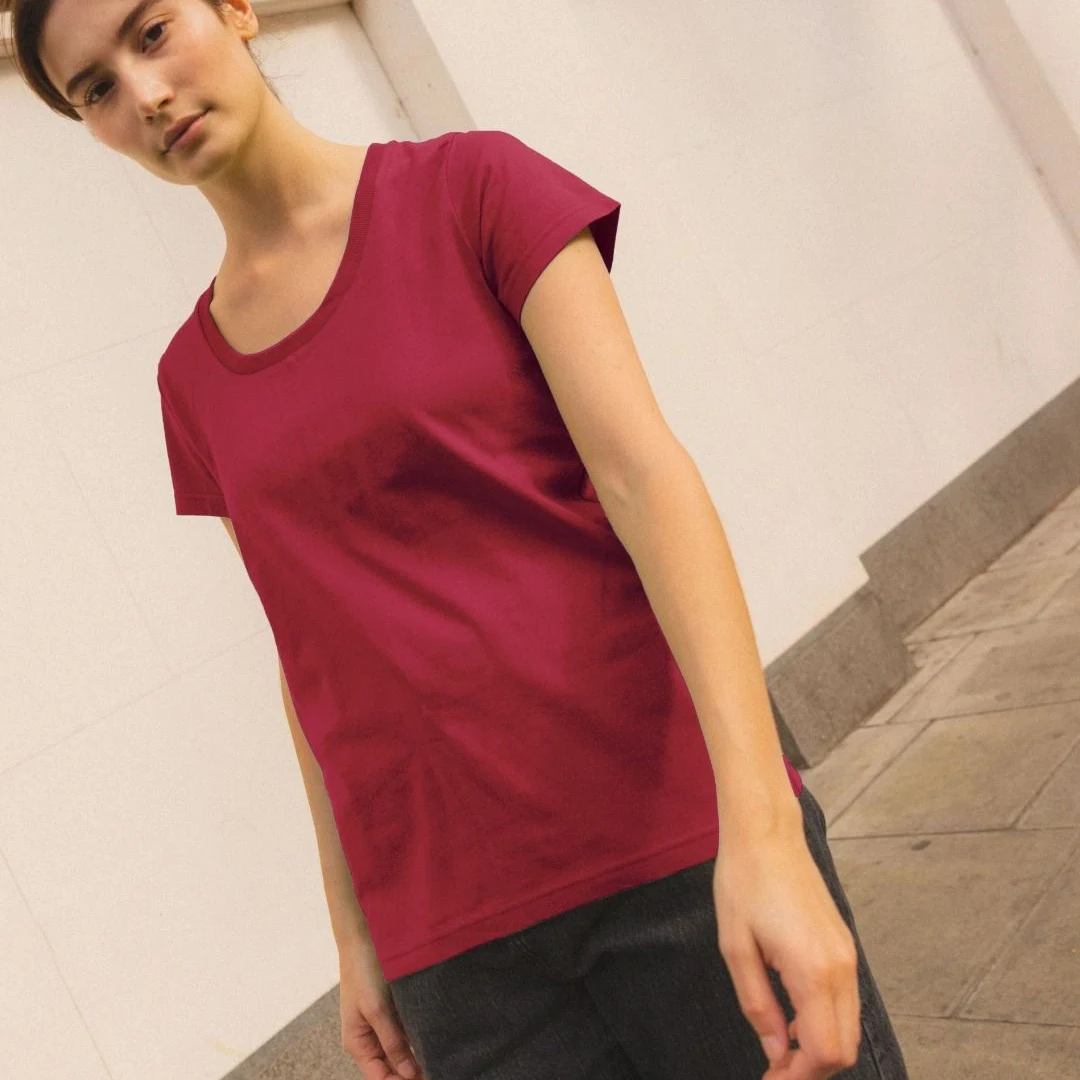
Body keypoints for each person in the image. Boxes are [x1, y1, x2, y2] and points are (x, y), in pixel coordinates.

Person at [18, 1, 911, 1078]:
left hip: (675, 843)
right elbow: (310, 653)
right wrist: (355, 933)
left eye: (152, 32)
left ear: (237, 10)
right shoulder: (191, 381)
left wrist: (763, 826)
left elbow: (647, 481)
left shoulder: (473, 188)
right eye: (96, 90)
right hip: (460, 958)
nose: (145, 94)